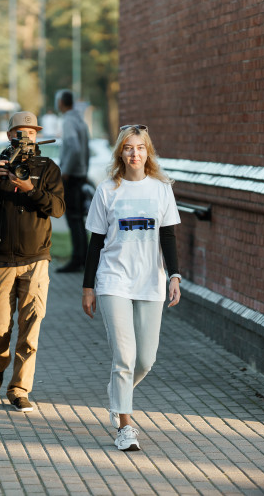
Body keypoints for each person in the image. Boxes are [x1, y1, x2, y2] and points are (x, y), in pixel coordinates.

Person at [81, 124, 182, 451]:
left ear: (147, 151)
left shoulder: (161, 189)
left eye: (139, 147)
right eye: (128, 148)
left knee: (145, 360)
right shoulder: (107, 190)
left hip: (150, 280)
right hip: (114, 279)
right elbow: (95, 242)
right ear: (120, 153)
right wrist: (88, 287)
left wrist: (174, 276)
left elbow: (168, 235)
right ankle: (125, 426)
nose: (134, 153)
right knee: (124, 357)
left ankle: (117, 395)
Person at [0, 111, 65, 412]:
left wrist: (30, 189)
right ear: (9, 135)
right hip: (1, 259)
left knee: (30, 327)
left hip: (37, 259)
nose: (26, 138)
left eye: (31, 133)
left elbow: (58, 209)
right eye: (20, 133)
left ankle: (19, 389)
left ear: (38, 136)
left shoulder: (47, 168)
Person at [55, 89, 90, 273]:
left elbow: (75, 148)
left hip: (72, 176)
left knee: (73, 218)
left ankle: (77, 259)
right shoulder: (80, 120)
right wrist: (84, 170)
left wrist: (66, 171)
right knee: (79, 219)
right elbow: (85, 149)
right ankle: (84, 258)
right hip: (80, 174)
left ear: (61, 102)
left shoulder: (68, 121)